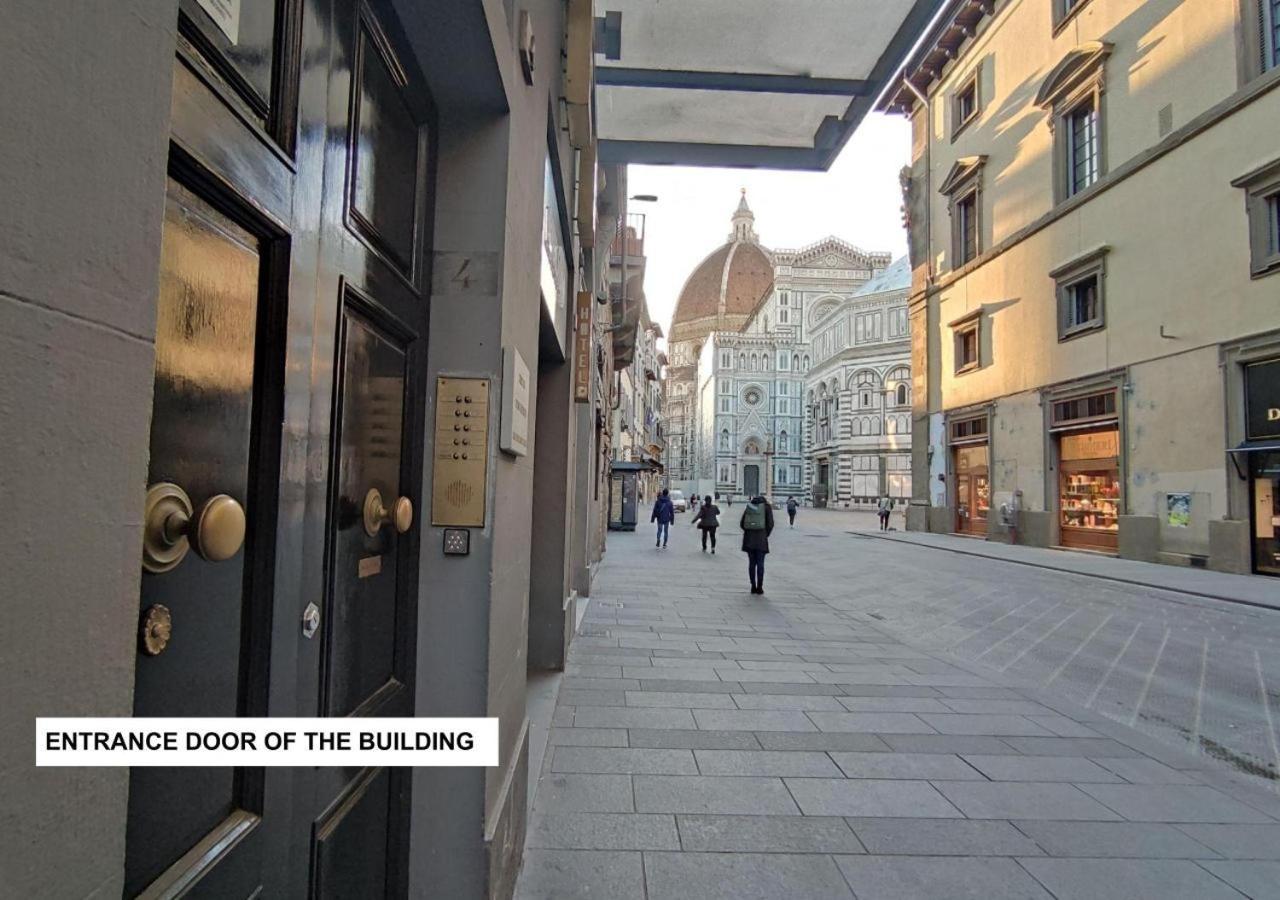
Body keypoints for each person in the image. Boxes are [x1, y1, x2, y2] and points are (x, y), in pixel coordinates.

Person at [739, 494, 774, 594]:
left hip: (749, 540)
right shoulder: (767, 507)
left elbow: (742, 523)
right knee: (760, 564)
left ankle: (753, 586)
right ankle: (760, 587)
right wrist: (765, 534)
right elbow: (770, 524)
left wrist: (749, 531)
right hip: (761, 540)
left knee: (751, 564)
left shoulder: (750, 506)